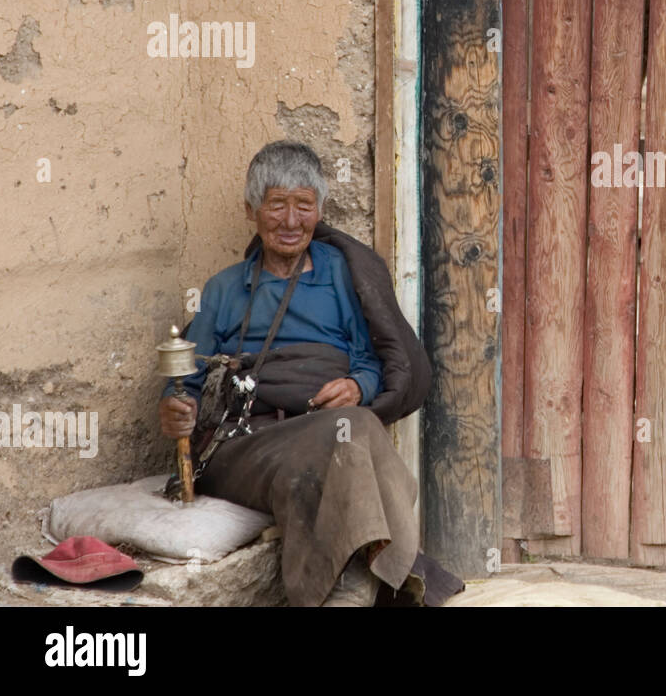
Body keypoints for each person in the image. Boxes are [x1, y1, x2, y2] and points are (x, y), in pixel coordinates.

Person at [157, 141, 453, 606]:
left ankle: (346, 585)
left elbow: (372, 360)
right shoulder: (223, 290)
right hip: (246, 443)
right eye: (277, 205)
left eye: (304, 206)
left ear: (319, 210)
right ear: (251, 210)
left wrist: (358, 385)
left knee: (349, 432)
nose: (291, 222)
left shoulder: (341, 275)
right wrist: (175, 409)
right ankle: (372, 580)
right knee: (354, 433)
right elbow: (187, 385)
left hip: (325, 432)